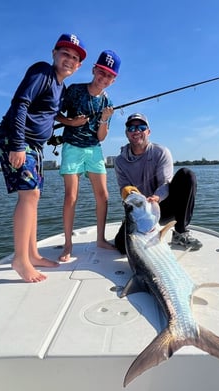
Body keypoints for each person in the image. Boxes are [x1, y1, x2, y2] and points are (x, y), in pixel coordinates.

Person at [0, 33, 86, 282]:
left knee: (34, 196)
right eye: (65, 53)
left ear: (78, 66)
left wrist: (71, 122)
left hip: (35, 145)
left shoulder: (60, 86)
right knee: (30, 195)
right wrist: (17, 145)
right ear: (54, 54)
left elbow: (50, 113)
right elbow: (20, 103)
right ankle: (20, 259)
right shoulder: (42, 72)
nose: (69, 59)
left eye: (75, 58)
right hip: (17, 139)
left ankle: (33, 253)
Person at [55, 50, 121, 262]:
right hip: (72, 147)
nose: (104, 78)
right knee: (70, 196)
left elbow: (101, 137)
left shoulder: (107, 102)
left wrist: (103, 120)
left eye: (109, 75)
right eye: (101, 72)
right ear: (94, 70)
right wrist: (71, 123)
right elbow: (54, 113)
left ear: (114, 79)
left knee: (103, 196)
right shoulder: (74, 90)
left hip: (94, 148)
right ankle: (68, 244)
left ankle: (101, 239)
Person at [114, 112, 202, 254]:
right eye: (131, 128)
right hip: (140, 211)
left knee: (186, 175)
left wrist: (156, 198)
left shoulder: (161, 152)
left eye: (141, 127)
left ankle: (180, 232)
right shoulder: (120, 161)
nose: (136, 131)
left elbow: (165, 183)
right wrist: (130, 194)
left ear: (148, 132)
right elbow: (123, 188)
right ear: (126, 133)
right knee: (121, 247)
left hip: (164, 205)